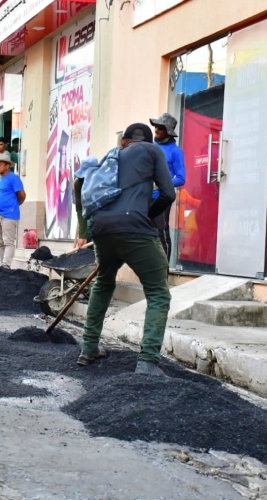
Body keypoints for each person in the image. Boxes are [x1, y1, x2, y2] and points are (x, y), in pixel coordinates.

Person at [77, 123, 175, 376]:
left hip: (100, 227)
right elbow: (168, 194)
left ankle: (88, 348)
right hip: (135, 227)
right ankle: (148, 362)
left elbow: (85, 193)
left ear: (125, 141)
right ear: (148, 141)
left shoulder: (112, 157)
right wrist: (147, 216)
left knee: (104, 282)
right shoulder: (153, 152)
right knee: (158, 293)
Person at [149, 113, 186, 260]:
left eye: (160, 128)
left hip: (162, 197)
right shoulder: (151, 146)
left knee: (161, 231)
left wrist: (161, 186)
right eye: (156, 127)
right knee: (146, 231)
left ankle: (163, 272)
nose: (156, 130)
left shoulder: (175, 152)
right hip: (145, 195)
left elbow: (181, 178)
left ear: (168, 132)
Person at [0, 153, 25, 269]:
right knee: (0, 242)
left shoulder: (13, 178)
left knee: (8, 242)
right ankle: (2, 264)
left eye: (0, 164)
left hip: (9, 215)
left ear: (8, 166)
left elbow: (22, 195)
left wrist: (15, 205)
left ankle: (6, 265)